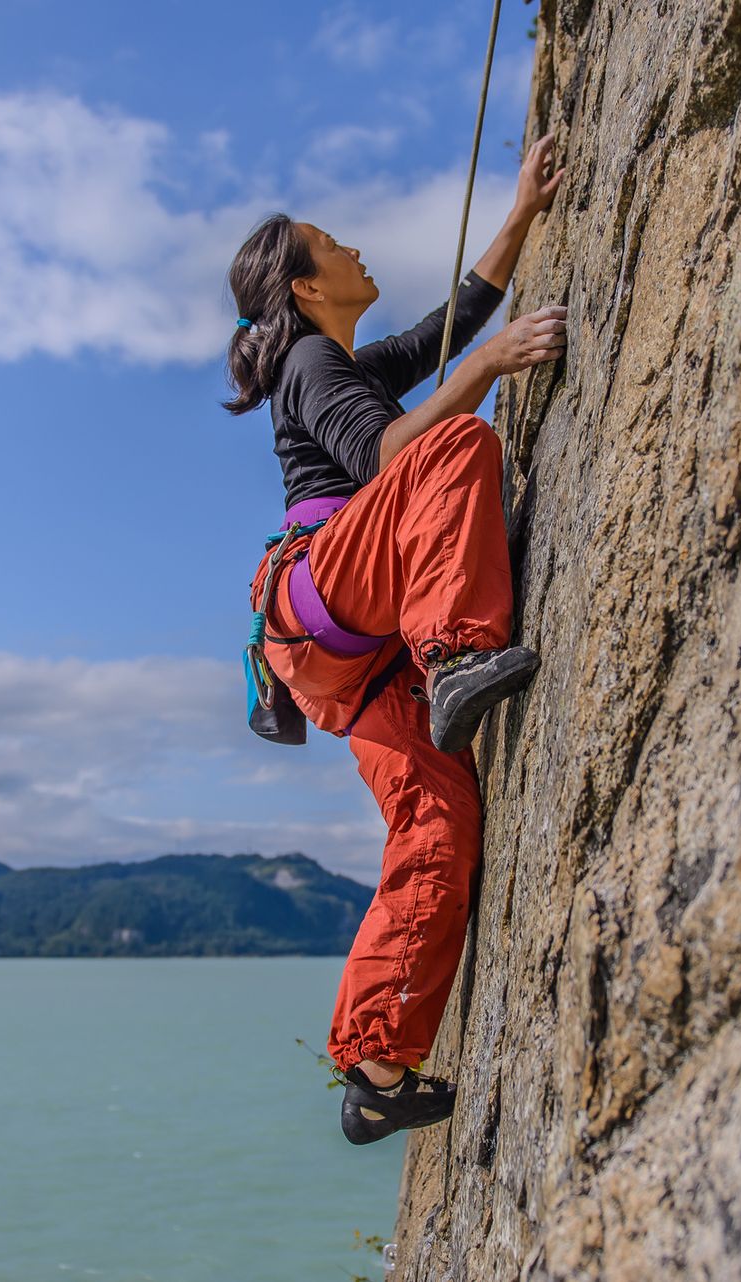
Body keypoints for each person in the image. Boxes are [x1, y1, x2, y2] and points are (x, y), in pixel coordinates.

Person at [223, 134, 568, 1145]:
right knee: (456, 441)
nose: (355, 248)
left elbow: (444, 326)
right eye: (333, 245)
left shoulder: (339, 361)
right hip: (330, 598)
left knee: (437, 823)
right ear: (305, 286)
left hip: (345, 654)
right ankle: (456, 653)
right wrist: (488, 369)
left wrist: (522, 212)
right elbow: (387, 455)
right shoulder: (309, 360)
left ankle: (377, 1068)